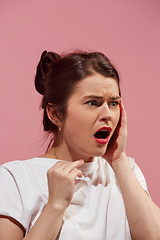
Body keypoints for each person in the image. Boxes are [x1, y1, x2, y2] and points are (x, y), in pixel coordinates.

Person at [0, 50, 160, 240]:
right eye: (93, 102)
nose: (107, 114)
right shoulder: (14, 178)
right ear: (55, 114)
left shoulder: (126, 171)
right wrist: (55, 206)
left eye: (113, 103)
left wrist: (119, 161)